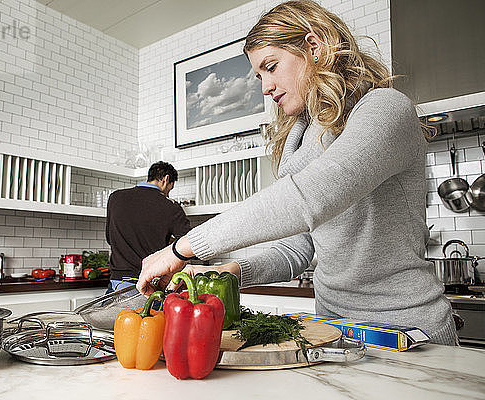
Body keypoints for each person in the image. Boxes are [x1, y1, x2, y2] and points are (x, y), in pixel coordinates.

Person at [137, 0, 458, 345]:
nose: (265, 87)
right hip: (335, 329)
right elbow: (295, 251)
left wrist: (182, 249)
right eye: (259, 75)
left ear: (314, 46)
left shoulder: (385, 108)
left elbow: (313, 195)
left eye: (271, 67)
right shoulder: (300, 143)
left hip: (409, 331)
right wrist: (232, 271)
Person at [105, 161, 191, 293]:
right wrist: (170, 243)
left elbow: (110, 238)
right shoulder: (170, 207)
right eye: (170, 189)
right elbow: (190, 245)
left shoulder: (115, 197)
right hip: (150, 286)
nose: (168, 194)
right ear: (166, 179)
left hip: (117, 284)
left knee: (115, 314)